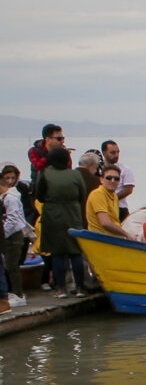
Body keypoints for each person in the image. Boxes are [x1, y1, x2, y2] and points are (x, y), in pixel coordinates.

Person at [34, 147, 88, 298]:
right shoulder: (75, 174)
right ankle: (79, 288)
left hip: (52, 216)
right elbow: (82, 195)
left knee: (58, 254)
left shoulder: (44, 174)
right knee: (75, 253)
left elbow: (40, 196)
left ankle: (61, 289)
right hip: (73, 215)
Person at [1, 164, 36, 307]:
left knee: (12, 265)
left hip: (14, 236)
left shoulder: (11, 198)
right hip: (8, 235)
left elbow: (13, 219)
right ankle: (13, 292)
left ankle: (19, 294)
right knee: (7, 264)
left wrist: (3, 234)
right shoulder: (4, 198)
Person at [84, 165, 132, 239]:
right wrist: (126, 234)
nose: (113, 181)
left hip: (113, 239)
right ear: (101, 180)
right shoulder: (98, 194)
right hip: (100, 239)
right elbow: (105, 222)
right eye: (108, 178)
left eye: (116, 178)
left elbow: (114, 221)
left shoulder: (114, 196)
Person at [28, 123, 68, 192]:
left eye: (63, 138)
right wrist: (53, 155)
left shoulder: (63, 151)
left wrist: (65, 156)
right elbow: (38, 166)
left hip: (58, 187)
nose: (63, 141)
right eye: (59, 139)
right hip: (39, 189)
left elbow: (68, 169)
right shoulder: (34, 151)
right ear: (48, 139)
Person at [101, 140, 135, 221]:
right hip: (101, 206)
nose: (116, 155)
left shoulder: (125, 169)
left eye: (118, 152)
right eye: (112, 153)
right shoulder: (98, 169)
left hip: (120, 207)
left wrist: (112, 198)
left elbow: (128, 189)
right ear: (104, 153)